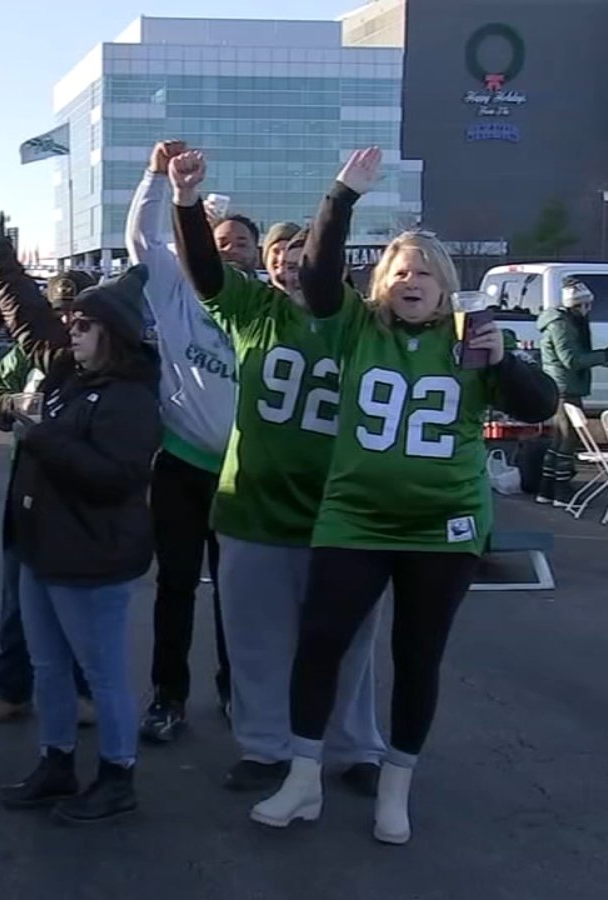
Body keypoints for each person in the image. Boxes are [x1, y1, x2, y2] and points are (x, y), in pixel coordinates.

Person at [196, 146, 555, 844]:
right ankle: (302, 779)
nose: (411, 279)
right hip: (355, 515)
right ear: (380, 285)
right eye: (399, 271)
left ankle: (396, 784)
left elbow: (541, 405)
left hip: (441, 523)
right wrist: (343, 194)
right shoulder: (358, 329)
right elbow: (321, 272)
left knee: (417, 655)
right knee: (321, 641)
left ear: (447, 285)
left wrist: (504, 360)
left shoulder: (469, 338)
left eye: (425, 271)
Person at [165, 143, 389, 798]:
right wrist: (184, 203)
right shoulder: (251, 312)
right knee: (257, 640)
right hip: (256, 504)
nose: (293, 271)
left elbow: (327, 276)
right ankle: (265, 746)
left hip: (340, 508)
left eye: (304, 260)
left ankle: (353, 747)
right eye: (281, 262)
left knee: (348, 643)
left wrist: (341, 196)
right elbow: (204, 270)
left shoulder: (352, 322)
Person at [0, 229, 161, 825]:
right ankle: (56, 763)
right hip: (43, 550)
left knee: (104, 674)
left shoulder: (131, 397)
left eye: (83, 326)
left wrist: (45, 437)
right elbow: (27, 315)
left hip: (92, 559)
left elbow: (117, 476)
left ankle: (118, 774)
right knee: (48, 666)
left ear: (109, 333)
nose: (71, 332)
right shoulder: (68, 373)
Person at [126, 139, 239, 743]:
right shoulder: (174, 290)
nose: (229, 252)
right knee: (175, 584)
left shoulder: (259, 306)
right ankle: (168, 696)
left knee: (236, 590)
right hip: (181, 463)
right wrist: (154, 178)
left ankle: (235, 689)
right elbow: (143, 239)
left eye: (240, 245)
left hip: (242, 475)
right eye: (218, 242)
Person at [0, 270, 98, 726]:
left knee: (81, 599)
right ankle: (12, 689)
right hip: (27, 487)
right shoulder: (30, 350)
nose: (67, 321)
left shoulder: (103, 351)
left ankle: (83, 690)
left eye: (76, 312)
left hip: (83, 493)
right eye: (59, 311)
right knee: (17, 595)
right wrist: (16, 405)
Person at [535, 280, 608, 506]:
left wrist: (601, 356)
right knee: (567, 440)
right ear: (578, 305)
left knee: (558, 440)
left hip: (559, 386)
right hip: (565, 388)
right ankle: (561, 491)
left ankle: (546, 490)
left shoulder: (559, 322)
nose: (588, 310)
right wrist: (605, 356)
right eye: (586, 305)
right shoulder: (562, 324)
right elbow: (572, 360)